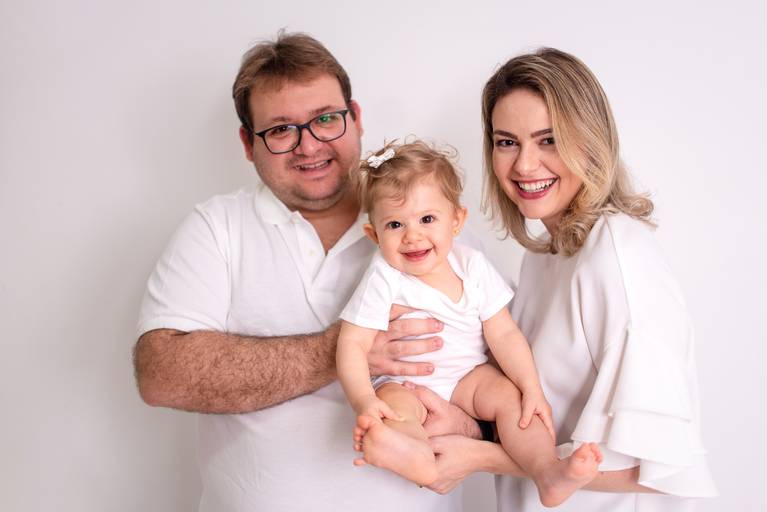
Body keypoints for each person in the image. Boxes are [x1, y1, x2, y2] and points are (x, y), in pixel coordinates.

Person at [132, 32, 480, 512]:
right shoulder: (217, 227)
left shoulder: (431, 225)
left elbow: (511, 375)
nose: (309, 145)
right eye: (281, 130)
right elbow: (162, 374)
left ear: (355, 118)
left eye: (325, 119)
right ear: (248, 143)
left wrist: (471, 430)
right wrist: (346, 349)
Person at [407, 47, 718, 511]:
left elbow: (668, 471)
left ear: (590, 141)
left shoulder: (618, 254)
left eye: (548, 140)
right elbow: (548, 419)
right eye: (507, 142)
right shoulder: (543, 257)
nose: (524, 165)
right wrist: (465, 425)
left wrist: (483, 458)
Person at [336, 140, 603, 507]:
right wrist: (364, 399)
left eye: (427, 219)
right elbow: (352, 343)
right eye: (395, 224)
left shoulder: (472, 266)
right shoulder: (384, 276)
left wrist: (531, 387)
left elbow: (504, 333)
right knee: (395, 410)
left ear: (457, 221)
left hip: (468, 377)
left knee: (512, 400)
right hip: (405, 384)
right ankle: (415, 458)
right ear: (375, 235)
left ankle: (546, 471)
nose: (412, 235)